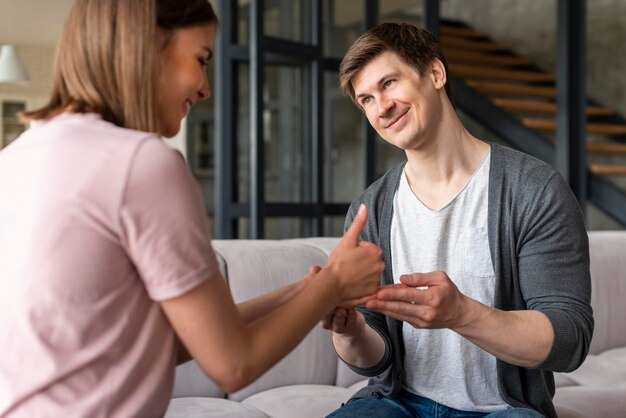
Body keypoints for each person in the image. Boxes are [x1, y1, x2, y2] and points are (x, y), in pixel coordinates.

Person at [0, 1, 385, 416]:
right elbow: (232, 364)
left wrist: (310, 287)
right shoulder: (141, 163)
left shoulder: (18, 156)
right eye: (201, 59)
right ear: (144, 44)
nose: (205, 88)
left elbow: (160, 342)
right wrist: (335, 283)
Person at [322, 22, 593, 418]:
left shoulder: (534, 189)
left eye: (389, 84)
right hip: (396, 404)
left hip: (503, 409)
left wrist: (461, 314)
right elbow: (373, 360)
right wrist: (349, 332)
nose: (381, 107)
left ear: (435, 74)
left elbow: (569, 339)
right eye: (366, 99)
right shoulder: (371, 208)